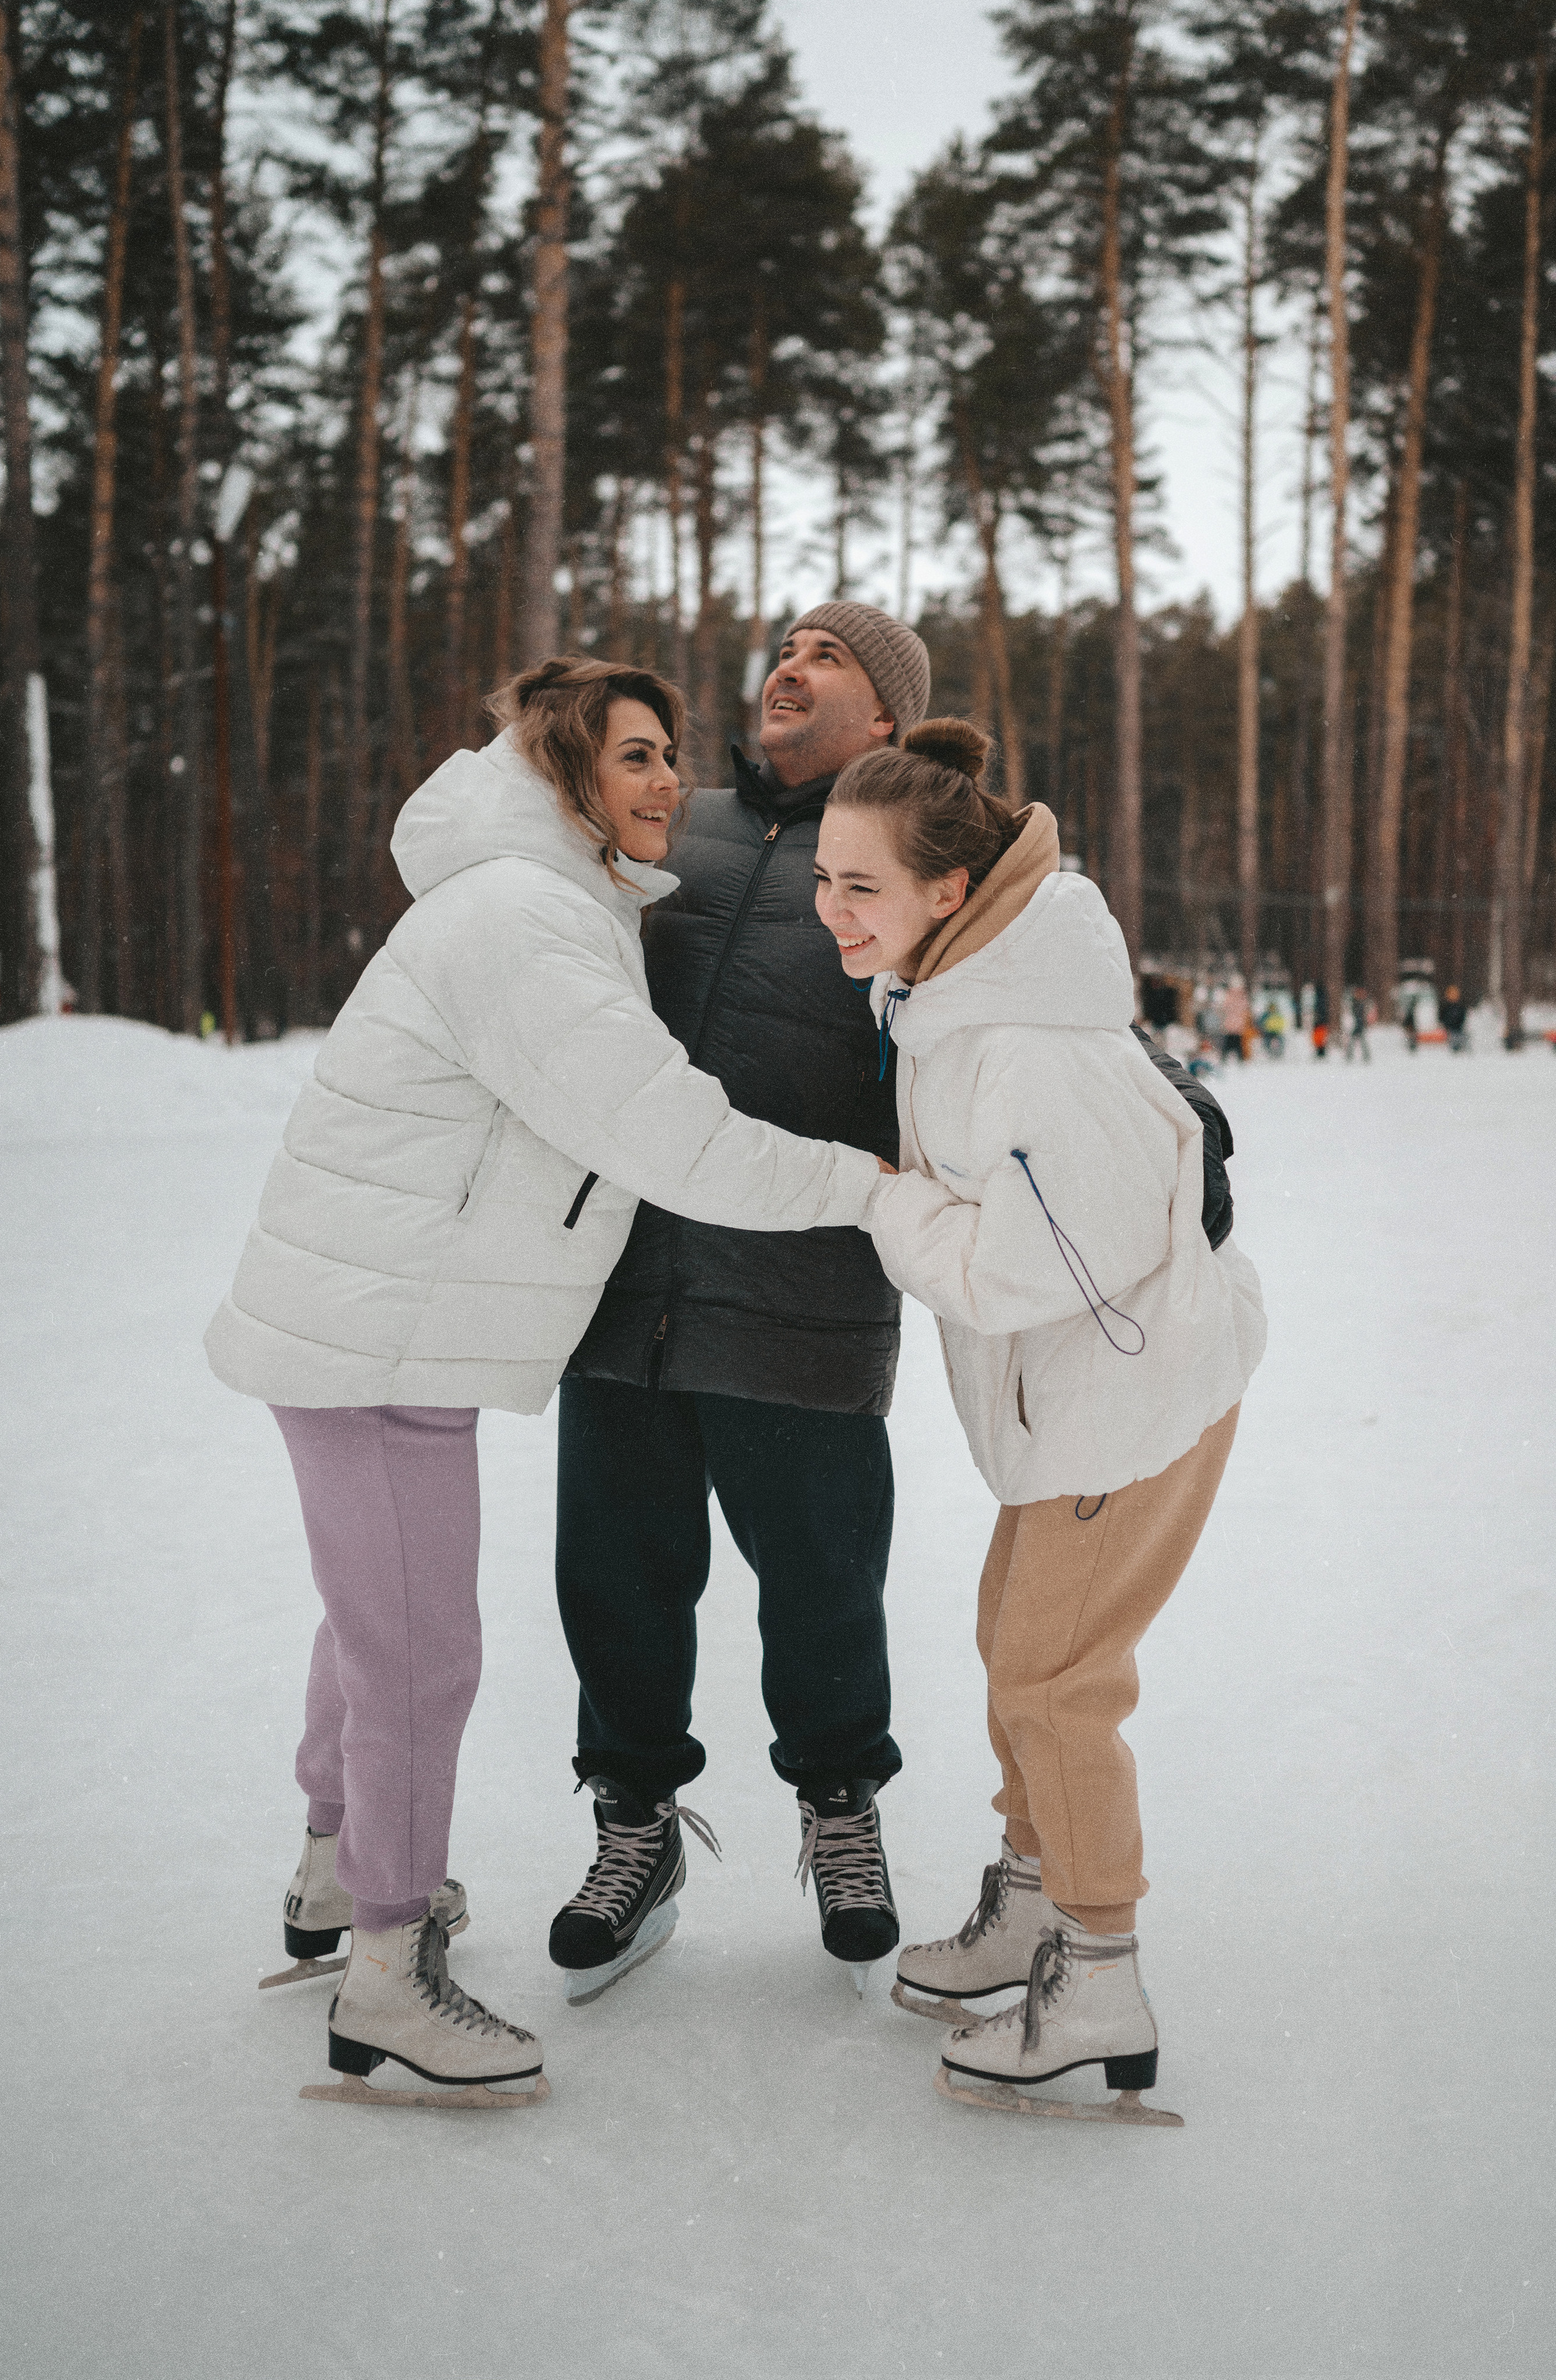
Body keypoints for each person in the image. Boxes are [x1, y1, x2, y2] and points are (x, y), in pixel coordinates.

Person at [204, 657, 889, 2101]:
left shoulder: (548, 895)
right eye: (634, 755)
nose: (667, 781)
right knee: (419, 1654)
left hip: (390, 1318)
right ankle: (389, 1970)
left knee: (373, 1622)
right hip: (383, 1327)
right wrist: (871, 1187)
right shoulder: (529, 919)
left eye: (669, 754)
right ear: (561, 769)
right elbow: (668, 1135)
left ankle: (334, 1871)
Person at [812, 719, 1266, 2116]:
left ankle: (1099, 1972)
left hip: (1126, 1395)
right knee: (1012, 1638)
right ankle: (1029, 1900)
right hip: (1072, 1395)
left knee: (1054, 1678)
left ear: (948, 890)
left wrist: (885, 1200)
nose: (830, 909)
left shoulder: (1022, 1044)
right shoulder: (951, 999)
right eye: (823, 877)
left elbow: (1019, 1269)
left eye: (861, 885)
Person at [552, 604, 926, 1994]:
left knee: (825, 1582)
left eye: (830, 656)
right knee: (613, 1577)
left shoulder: (919, 842)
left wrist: (1174, 1100)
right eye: (788, 645)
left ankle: (841, 1810)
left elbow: (1032, 988)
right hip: (622, 1281)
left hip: (803, 1284)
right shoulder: (670, 819)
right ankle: (634, 1828)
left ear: (884, 715)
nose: (791, 665)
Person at [1219, 976, 1249, 1064]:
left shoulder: (1229, 994)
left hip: (1230, 1024)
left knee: (1229, 1043)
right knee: (1238, 1044)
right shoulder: (1242, 995)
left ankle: (1225, 1059)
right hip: (1238, 1025)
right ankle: (1241, 1059)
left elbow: (1224, 1008)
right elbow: (1245, 1009)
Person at [1347, 986, 1373, 1062]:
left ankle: (1364, 1056)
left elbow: (1363, 1014)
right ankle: (1351, 1055)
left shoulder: (1361, 1003)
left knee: (1360, 1041)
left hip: (1360, 1025)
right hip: (1357, 1024)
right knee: (1357, 1041)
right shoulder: (1355, 1002)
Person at [1441, 985, 1467, 1051]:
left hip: (1459, 1029)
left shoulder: (1460, 1007)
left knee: (1461, 1041)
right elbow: (1442, 1018)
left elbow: (1463, 1018)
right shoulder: (1446, 1007)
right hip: (1450, 1030)